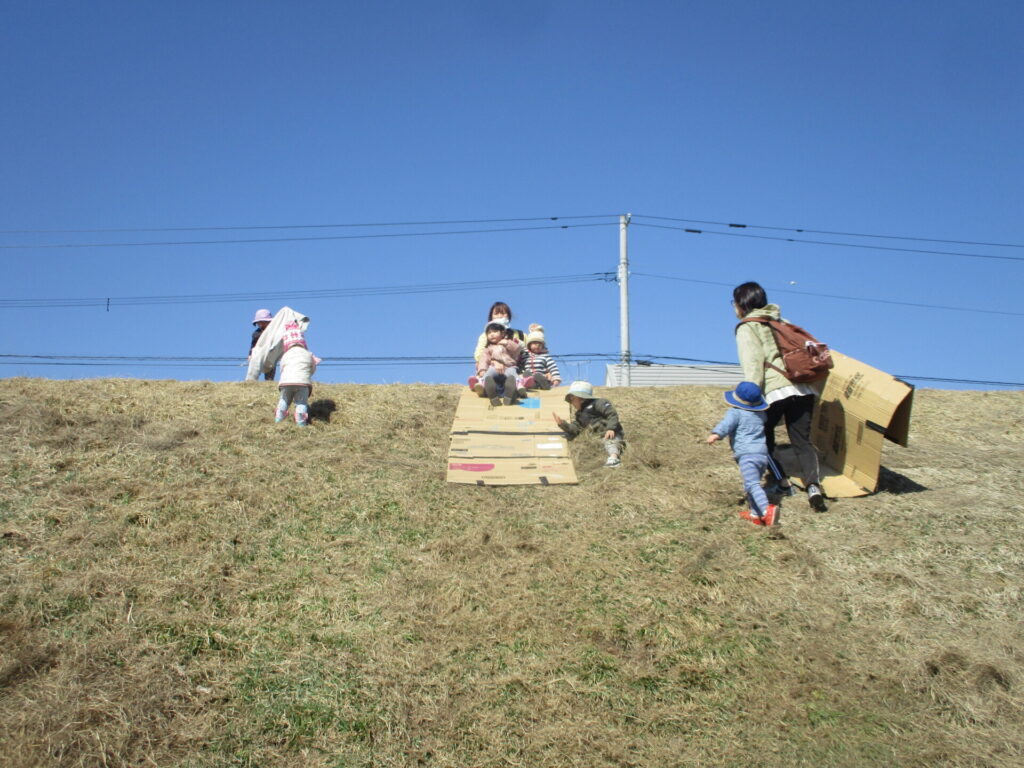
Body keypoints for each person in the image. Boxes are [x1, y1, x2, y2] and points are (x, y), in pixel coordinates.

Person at [732, 281, 827, 511]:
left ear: (741, 304)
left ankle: (783, 482)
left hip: (775, 390)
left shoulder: (747, 327)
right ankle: (814, 486)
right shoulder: (781, 321)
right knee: (802, 440)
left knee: (762, 438)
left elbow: (753, 364)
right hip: (803, 388)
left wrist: (750, 397)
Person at [707, 381, 781, 526]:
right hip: (762, 455)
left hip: (747, 455)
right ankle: (755, 513)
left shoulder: (735, 412)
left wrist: (716, 434)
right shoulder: (761, 415)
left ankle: (767, 510)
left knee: (752, 484)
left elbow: (726, 425)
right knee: (753, 484)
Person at [553, 381, 625, 468]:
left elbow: (611, 414)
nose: (571, 402)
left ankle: (614, 459)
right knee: (601, 445)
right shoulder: (579, 414)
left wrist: (611, 428)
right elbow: (576, 428)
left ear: (581, 398)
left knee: (610, 441)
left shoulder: (599, 403)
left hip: (610, 432)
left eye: (573, 398)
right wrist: (563, 424)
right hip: (597, 436)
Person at [275, 321, 320, 426]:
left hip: (286, 383)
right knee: (301, 403)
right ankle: (301, 422)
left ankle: (279, 418)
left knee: (284, 400)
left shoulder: (286, 355)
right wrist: (308, 375)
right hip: (303, 383)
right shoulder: (308, 354)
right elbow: (312, 368)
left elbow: (282, 368)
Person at [475, 321, 526, 406]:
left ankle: (518, 387)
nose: (492, 334)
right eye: (489, 333)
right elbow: (484, 359)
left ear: (503, 334)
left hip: (509, 366)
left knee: (512, 375)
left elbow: (517, 351)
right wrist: (482, 370)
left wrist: (507, 343)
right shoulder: (488, 349)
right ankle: (484, 385)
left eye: (495, 332)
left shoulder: (508, 343)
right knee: (488, 374)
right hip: (494, 367)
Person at [472, 301, 526, 367]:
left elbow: (532, 352)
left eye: (503, 313)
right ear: (491, 317)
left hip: (516, 371)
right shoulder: (485, 336)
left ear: (508, 316)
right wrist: (494, 362)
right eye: (496, 314)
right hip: (491, 370)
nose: (500, 316)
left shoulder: (521, 334)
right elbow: (479, 355)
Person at [518, 324, 562, 390]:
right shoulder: (525, 356)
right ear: (529, 345)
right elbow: (520, 365)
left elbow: (553, 367)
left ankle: (545, 386)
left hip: (541, 377)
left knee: (537, 375)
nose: (537, 345)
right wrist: (520, 374)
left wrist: (556, 379)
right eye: (535, 343)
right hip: (529, 380)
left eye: (540, 344)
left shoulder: (545, 356)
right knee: (526, 373)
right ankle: (531, 385)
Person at [249, 308, 275, 381]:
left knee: (271, 367)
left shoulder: (273, 332)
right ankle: (251, 381)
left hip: (270, 353)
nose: (262, 324)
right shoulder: (256, 334)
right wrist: (250, 354)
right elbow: (253, 345)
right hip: (258, 354)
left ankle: (269, 380)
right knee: (255, 367)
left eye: (264, 322)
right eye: (260, 323)